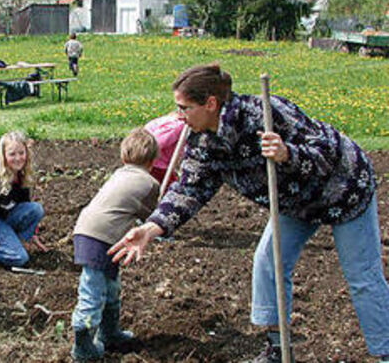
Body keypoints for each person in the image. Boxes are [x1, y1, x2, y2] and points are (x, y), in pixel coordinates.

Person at [108, 63, 389, 363]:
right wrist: (150, 229)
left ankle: (385, 350)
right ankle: (277, 348)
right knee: (268, 262)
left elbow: (325, 151)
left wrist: (287, 154)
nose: (179, 115)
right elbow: (187, 191)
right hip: (293, 202)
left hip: (343, 188)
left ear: (211, 104)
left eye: (184, 107)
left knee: (362, 275)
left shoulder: (266, 113)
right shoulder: (203, 141)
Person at [70, 128, 160, 361]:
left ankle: (109, 333)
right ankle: (83, 341)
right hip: (101, 237)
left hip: (88, 230)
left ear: (123, 158)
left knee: (110, 286)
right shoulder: (150, 183)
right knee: (93, 290)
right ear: (152, 162)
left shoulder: (119, 174)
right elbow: (152, 217)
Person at [0, 131, 48, 268]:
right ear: (3, 156)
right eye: (12, 154)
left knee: (36, 209)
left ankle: (15, 241)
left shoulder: (20, 176)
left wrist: (33, 234)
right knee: (20, 258)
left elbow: (25, 204)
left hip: (7, 218)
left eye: (21, 153)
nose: (18, 158)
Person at [144, 111, 186, 184]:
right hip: (155, 163)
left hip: (157, 161)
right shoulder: (177, 126)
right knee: (170, 187)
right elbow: (155, 143)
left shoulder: (175, 123)